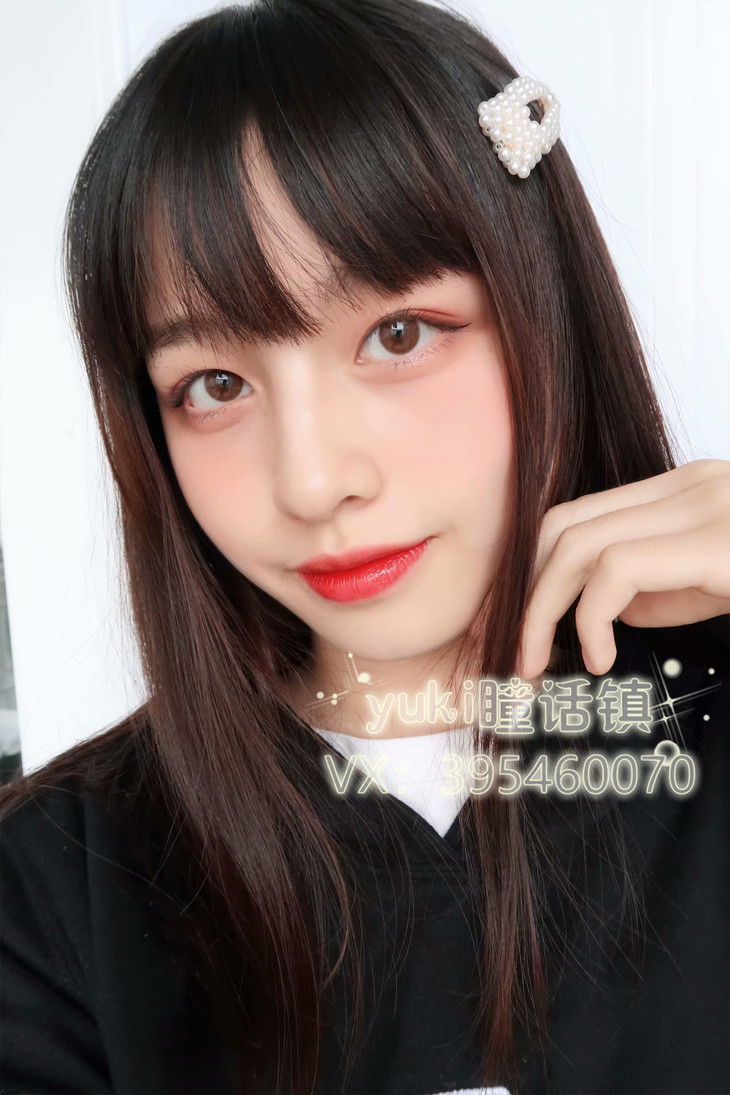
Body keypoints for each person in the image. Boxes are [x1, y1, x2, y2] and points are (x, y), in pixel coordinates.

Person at [1, 1, 728, 1093]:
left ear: (546, 308)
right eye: (214, 385)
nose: (311, 481)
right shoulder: (55, 891)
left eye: (398, 334)